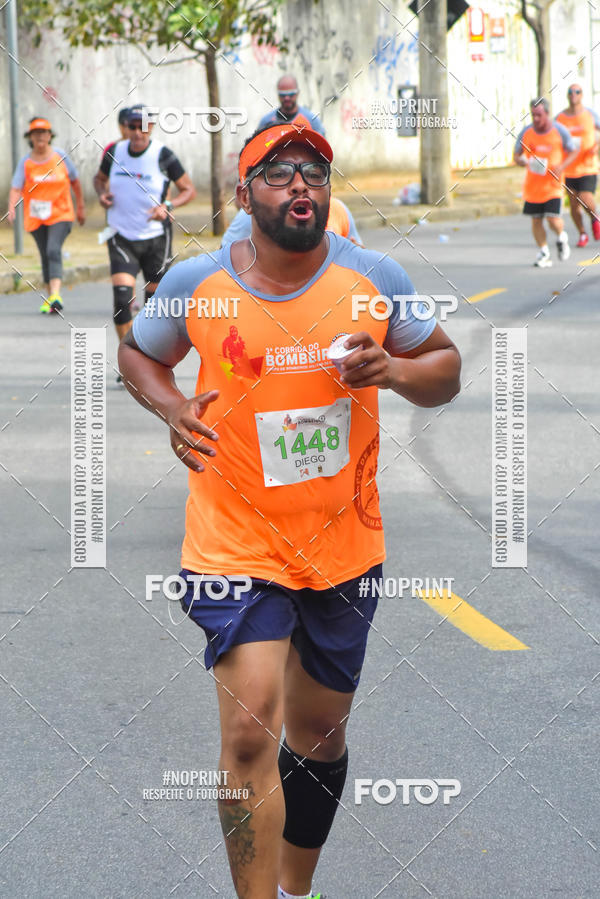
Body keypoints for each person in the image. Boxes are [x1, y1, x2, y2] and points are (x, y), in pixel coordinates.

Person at [118, 123, 461, 899]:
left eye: (313, 171)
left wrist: (398, 370)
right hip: (233, 543)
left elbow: (446, 367)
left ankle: (296, 887)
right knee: (249, 731)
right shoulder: (197, 283)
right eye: (277, 173)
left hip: (343, 544)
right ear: (245, 196)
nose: (299, 184)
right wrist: (173, 406)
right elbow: (139, 352)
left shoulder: (373, 278)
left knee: (317, 733)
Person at [92, 104, 196, 361]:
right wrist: (102, 194)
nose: (138, 132)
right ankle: (127, 358)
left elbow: (188, 190)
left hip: (156, 238)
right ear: (124, 128)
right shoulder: (114, 152)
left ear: (151, 127)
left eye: (143, 127)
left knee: (154, 306)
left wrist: (168, 206)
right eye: (132, 126)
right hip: (121, 235)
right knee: (122, 299)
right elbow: (98, 179)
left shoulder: (163, 155)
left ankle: (148, 357)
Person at [7, 116, 85, 313]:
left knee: (52, 249)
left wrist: (81, 207)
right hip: (36, 216)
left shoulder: (60, 156)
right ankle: (51, 297)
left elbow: (75, 182)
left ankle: (56, 294)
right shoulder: (25, 162)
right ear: (30, 137)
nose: (40, 137)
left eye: (43, 133)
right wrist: (11, 207)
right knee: (44, 255)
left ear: (50, 136)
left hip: (61, 213)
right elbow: (16, 188)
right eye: (36, 133)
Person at [513, 99, 578, 267]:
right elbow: (516, 155)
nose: (536, 118)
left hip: (553, 186)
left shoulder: (560, 131)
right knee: (536, 220)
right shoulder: (526, 132)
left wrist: (561, 166)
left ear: (547, 114)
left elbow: (573, 150)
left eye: (539, 115)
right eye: (533, 115)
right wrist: (520, 161)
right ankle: (544, 252)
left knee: (552, 218)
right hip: (533, 187)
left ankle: (561, 236)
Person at [222, 195, 363, 247]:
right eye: (282, 173)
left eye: (313, 173)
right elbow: (222, 264)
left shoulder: (338, 210)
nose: (300, 184)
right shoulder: (254, 214)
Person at [555, 84, 600, 246]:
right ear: (567, 96)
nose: (573, 94)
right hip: (568, 168)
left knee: (585, 197)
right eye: (570, 92)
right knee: (573, 204)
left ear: (582, 95)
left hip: (588, 165)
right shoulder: (560, 118)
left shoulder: (590, 115)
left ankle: (595, 219)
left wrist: (596, 147)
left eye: (577, 92)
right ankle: (582, 233)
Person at [257, 74, 325, 135]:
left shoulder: (311, 121)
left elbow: (321, 146)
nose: (287, 98)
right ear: (278, 95)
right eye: (283, 95)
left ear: (297, 93)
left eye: (291, 94)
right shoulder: (267, 122)